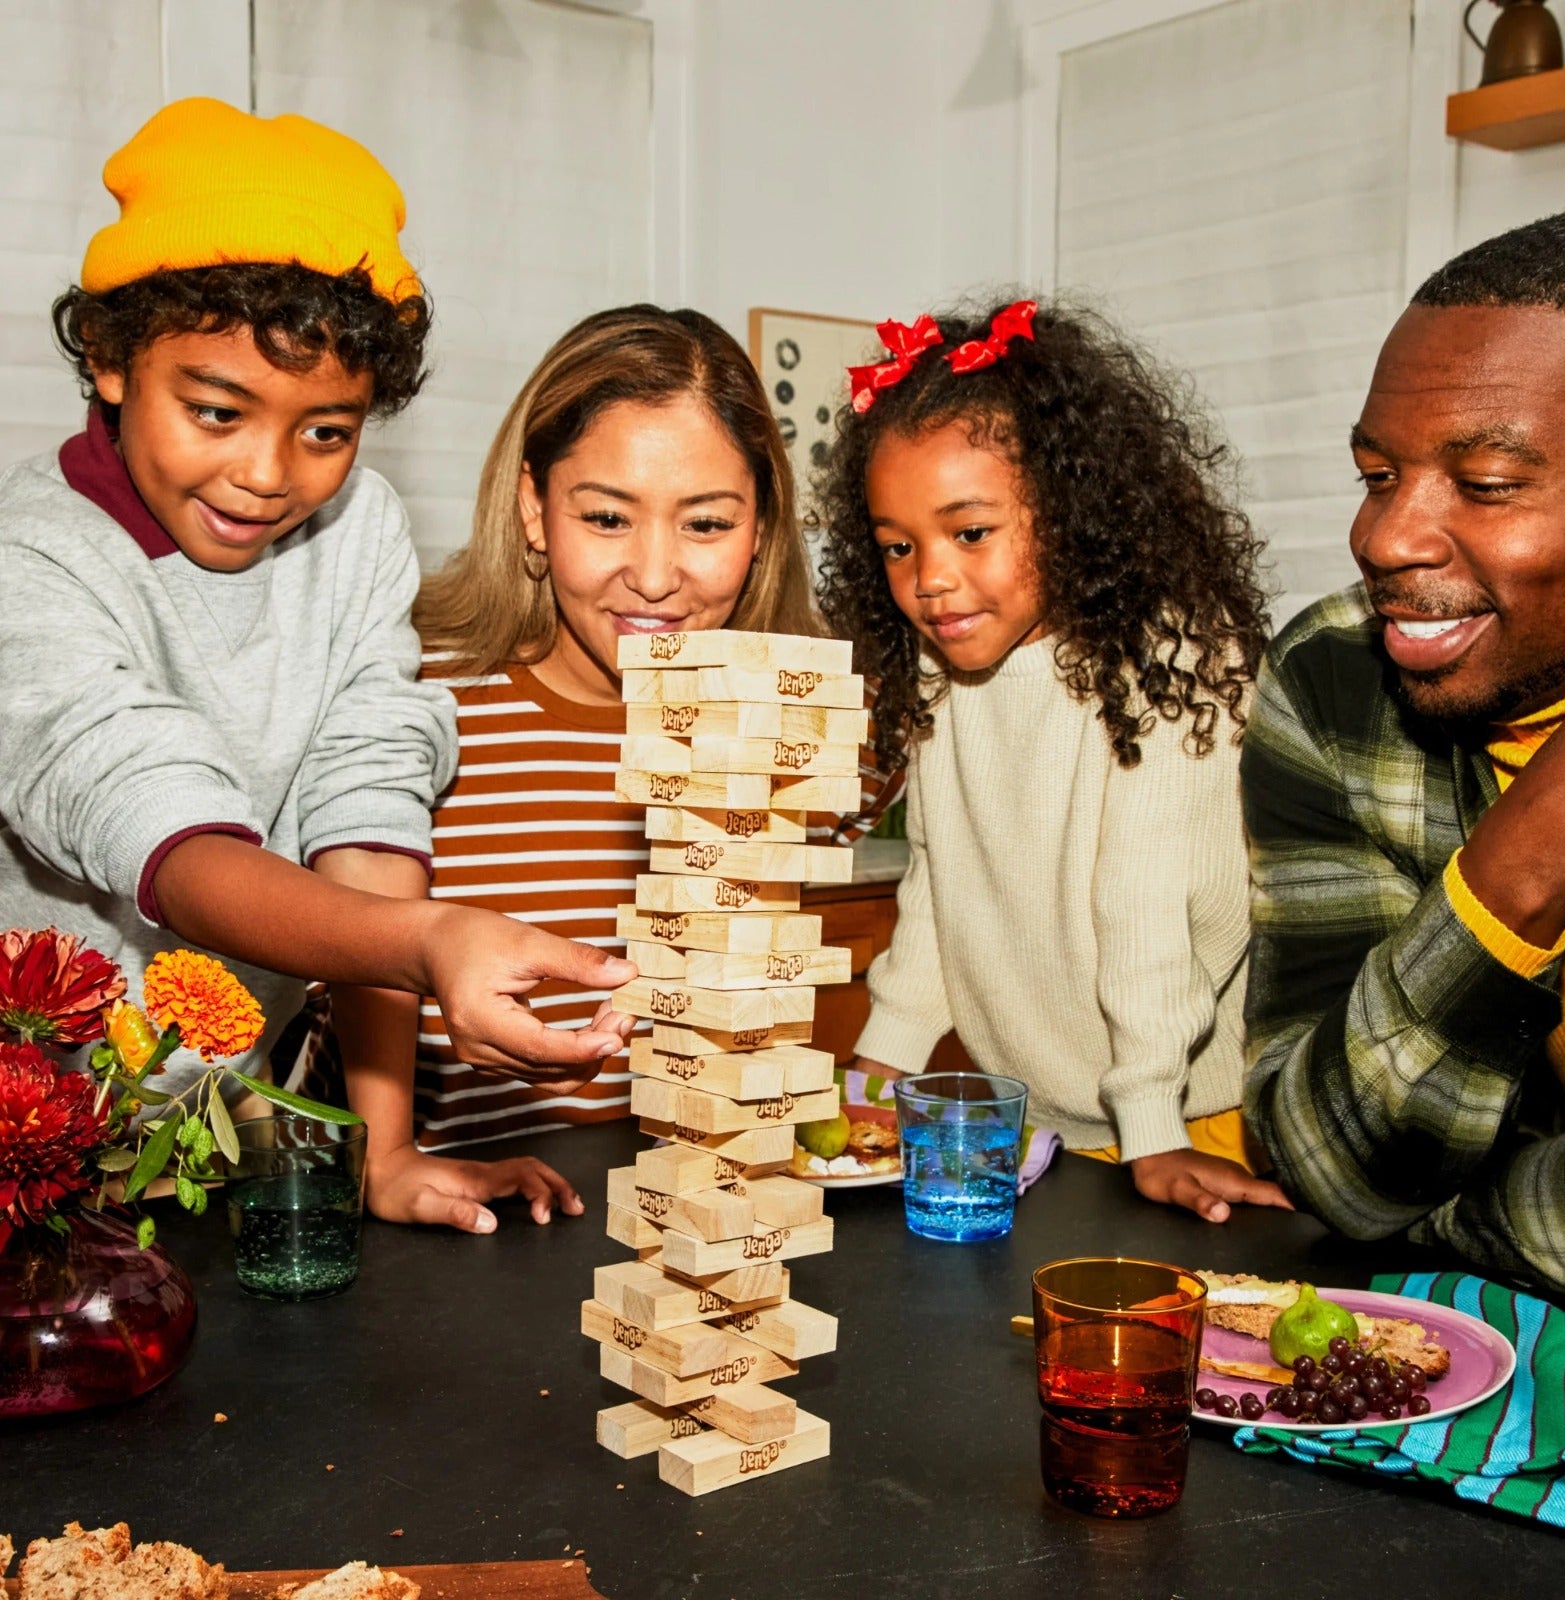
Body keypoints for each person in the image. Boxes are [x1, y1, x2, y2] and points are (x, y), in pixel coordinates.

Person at [0, 99, 633, 1140]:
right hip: (44, 1139)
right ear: (112, 362)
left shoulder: (357, 525)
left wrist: (385, 1151)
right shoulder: (32, 557)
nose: (266, 475)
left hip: (241, 1111)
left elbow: (367, 800)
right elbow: (168, 841)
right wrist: (427, 943)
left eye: (326, 430)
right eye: (217, 411)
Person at [300, 304, 899, 1232]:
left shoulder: (789, 727)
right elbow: (336, 947)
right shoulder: (409, 693)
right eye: (608, 517)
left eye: (705, 524)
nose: (655, 576)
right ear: (535, 510)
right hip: (451, 1234)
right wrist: (386, 1156)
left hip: (686, 1233)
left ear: (760, 528)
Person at [814, 295, 1290, 1222]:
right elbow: (942, 882)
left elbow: (1152, 905)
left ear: (1074, 508)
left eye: (971, 532)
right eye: (898, 548)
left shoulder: (1171, 655)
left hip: (1188, 1124)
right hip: (1043, 1126)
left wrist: (1152, 1124)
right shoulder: (945, 663)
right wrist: (881, 1065)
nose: (932, 579)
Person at [1244, 208, 1565, 1306]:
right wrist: (1515, 871)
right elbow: (1321, 1164)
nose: (1386, 538)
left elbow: (1384, 1193)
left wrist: (1460, 1208)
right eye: (1375, 473)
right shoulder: (1338, 678)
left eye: (1486, 483)